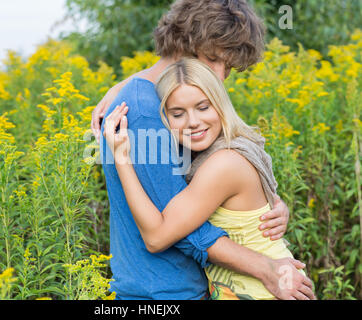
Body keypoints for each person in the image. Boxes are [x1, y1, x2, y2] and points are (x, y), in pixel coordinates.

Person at [97, 0, 315, 300]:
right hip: (163, 292)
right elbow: (172, 229)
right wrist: (265, 267)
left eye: (229, 66)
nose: (222, 76)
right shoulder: (144, 112)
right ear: (188, 43)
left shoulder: (172, 98)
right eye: (216, 60)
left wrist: (267, 201)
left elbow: (213, 178)